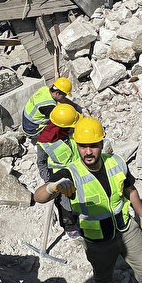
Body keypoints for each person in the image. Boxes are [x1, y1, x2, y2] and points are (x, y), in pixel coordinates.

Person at [31, 116, 142, 283]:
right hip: (97, 240)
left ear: (102, 143)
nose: (88, 151)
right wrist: (52, 187)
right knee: (104, 280)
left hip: (126, 229)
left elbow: (130, 190)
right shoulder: (70, 173)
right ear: (77, 146)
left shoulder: (116, 162)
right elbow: (39, 197)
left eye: (93, 146)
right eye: (83, 146)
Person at [35, 102, 80, 238]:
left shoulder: (71, 130)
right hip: (60, 176)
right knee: (64, 202)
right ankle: (70, 225)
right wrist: (49, 182)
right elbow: (41, 163)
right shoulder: (45, 142)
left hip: (78, 170)